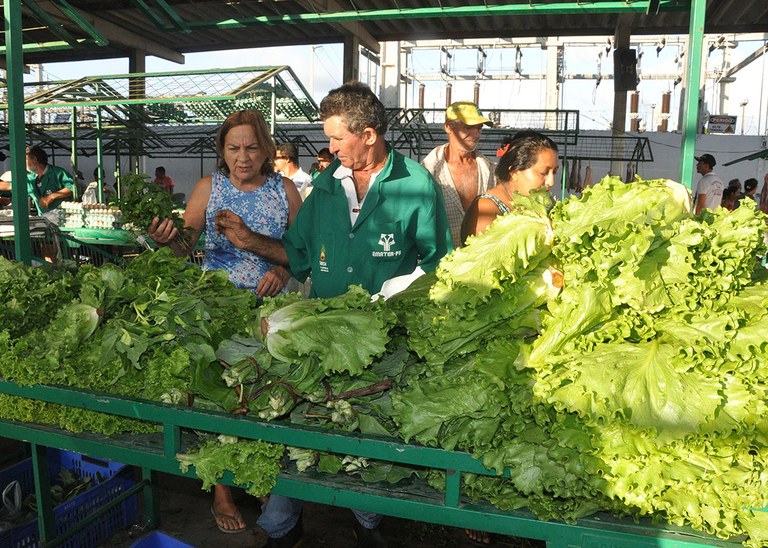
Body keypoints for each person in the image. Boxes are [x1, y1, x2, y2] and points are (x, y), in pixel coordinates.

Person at [218, 81, 451, 547]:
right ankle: (283, 527)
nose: (330, 147)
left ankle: (367, 524)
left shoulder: (416, 185)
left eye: (338, 138)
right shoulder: (326, 185)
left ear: (369, 134)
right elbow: (297, 254)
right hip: (322, 337)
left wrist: (394, 295)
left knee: (366, 436)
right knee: (299, 426)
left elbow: (438, 263)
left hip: (385, 344)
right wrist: (251, 242)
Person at [148, 110, 302, 534]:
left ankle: (262, 476)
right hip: (218, 312)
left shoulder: (285, 190)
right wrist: (169, 239)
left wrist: (283, 272)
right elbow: (185, 246)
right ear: (222, 151)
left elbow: (301, 251)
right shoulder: (207, 188)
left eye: (252, 147)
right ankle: (221, 489)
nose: (243, 156)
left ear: (266, 149)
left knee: (267, 398)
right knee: (217, 397)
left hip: (269, 315)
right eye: (233, 148)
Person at [461, 130, 558, 244]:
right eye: (543, 173)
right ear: (514, 172)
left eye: (554, 172)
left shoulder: (546, 203)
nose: (551, 182)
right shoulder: (486, 208)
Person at [422, 100, 495, 245]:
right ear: (448, 127)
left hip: (482, 259)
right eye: (468, 127)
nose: (476, 134)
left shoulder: (491, 171)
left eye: (479, 128)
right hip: (441, 261)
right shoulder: (427, 170)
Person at [0, 145, 75, 225]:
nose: (23, 163)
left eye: (25, 159)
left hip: (63, 220)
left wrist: (51, 196)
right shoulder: (30, 178)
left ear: (34, 159)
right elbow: (10, 185)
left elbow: (72, 187)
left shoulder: (57, 173)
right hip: (44, 220)